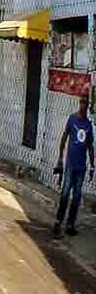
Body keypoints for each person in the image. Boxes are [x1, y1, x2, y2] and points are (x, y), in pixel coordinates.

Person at [54, 95, 93, 239]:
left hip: (81, 167)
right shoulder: (72, 119)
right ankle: (58, 221)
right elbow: (64, 137)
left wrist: (92, 166)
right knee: (65, 193)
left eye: (85, 103)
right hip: (70, 165)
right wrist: (59, 157)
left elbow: (90, 146)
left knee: (76, 197)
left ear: (88, 105)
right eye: (81, 102)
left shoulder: (88, 125)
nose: (83, 105)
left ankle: (70, 224)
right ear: (79, 104)